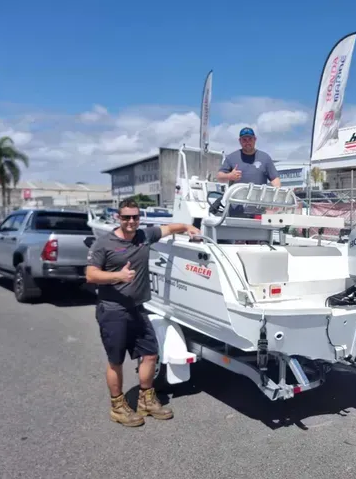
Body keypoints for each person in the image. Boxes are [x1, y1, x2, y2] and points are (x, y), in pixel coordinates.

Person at [86, 198, 201, 427]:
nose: (131, 221)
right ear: (118, 217)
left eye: (135, 217)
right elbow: (90, 275)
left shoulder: (143, 236)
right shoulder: (104, 243)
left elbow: (168, 228)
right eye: (126, 217)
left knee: (150, 354)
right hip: (112, 310)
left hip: (138, 309)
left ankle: (146, 400)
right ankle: (118, 407)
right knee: (115, 361)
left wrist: (187, 227)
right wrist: (118, 276)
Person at [216, 127, 281, 217]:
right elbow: (219, 177)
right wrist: (230, 176)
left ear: (255, 139)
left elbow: (275, 179)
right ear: (240, 141)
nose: (247, 142)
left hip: (258, 211)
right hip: (235, 210)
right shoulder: (231, 157)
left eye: (250, 139)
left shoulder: (265, 158)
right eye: (244, 140)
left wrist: (276, 196)